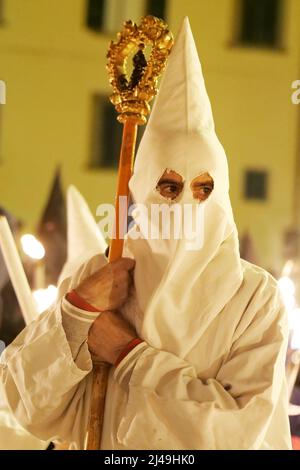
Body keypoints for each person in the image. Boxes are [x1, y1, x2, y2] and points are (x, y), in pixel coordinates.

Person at [0, 18, 292, 450]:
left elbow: (235, 432)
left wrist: (131, 355)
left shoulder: (254, 297)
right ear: (143, 189)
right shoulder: (99, 272)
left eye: (204, 189)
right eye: (169, 187)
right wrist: (76, 314)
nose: (187, 205)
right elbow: (27, 407)